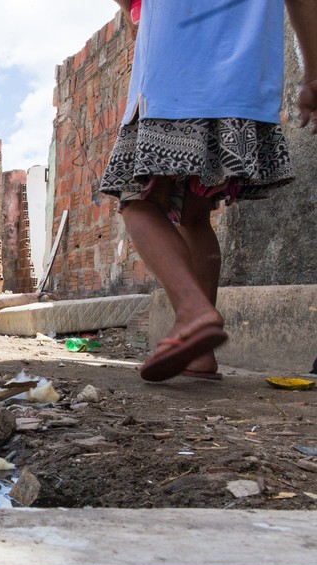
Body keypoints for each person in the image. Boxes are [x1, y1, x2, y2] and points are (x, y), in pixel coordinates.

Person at [100, 0, 317, 382]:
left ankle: (191, 313)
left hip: (175, 73)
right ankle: (200, 357)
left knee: (139, 202)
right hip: (245, 81)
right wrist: (312, 74)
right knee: (195, 216)